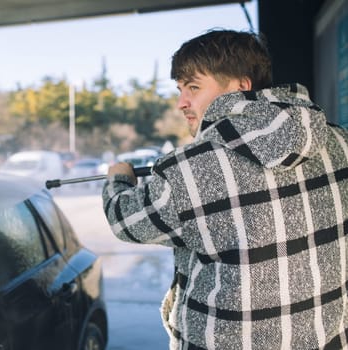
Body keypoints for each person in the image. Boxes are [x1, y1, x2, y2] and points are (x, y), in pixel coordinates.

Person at [102, 29, 348, 349]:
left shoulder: (189, 170)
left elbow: (126, 221)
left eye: (193, 87)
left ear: (241, 86)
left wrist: (119, 179)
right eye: (179, 89)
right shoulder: (340, 142)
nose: (181, 103)